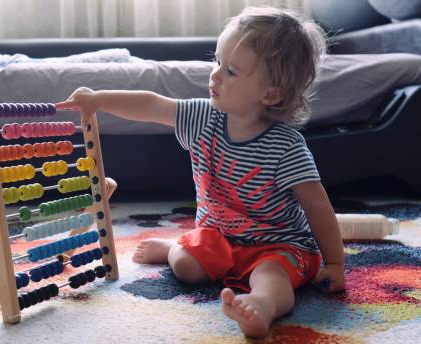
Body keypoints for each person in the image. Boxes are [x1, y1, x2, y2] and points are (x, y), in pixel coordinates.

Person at [56, 6, 345, 338]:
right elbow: (152, 105)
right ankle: (173, 247)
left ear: (271, 93)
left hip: (278, 245)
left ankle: (260, 307)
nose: (216, 76)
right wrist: (100, 99)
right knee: (187, 266)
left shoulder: (286, 146)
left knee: (272, 277)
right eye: (217, 62)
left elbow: (317, 207)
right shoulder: (203, 117)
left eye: (232, 71)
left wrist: (335, 263)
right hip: (216, 238)